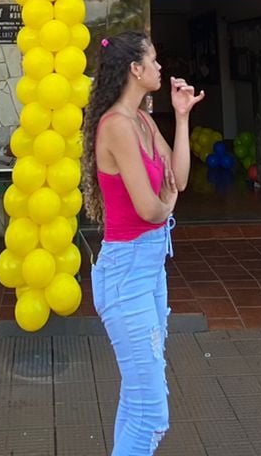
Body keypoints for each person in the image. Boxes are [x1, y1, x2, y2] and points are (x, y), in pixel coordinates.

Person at [80, 32, 202, 456]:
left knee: (137, 397)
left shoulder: (144, 121)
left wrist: (182, 117)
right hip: (126, 271)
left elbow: (181, 178)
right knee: (152, 413)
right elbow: (152, 209)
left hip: (150, 270)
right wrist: (168, 202)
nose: (160, 68)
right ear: (135, 69)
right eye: (154, 60)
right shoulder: (115, 126)